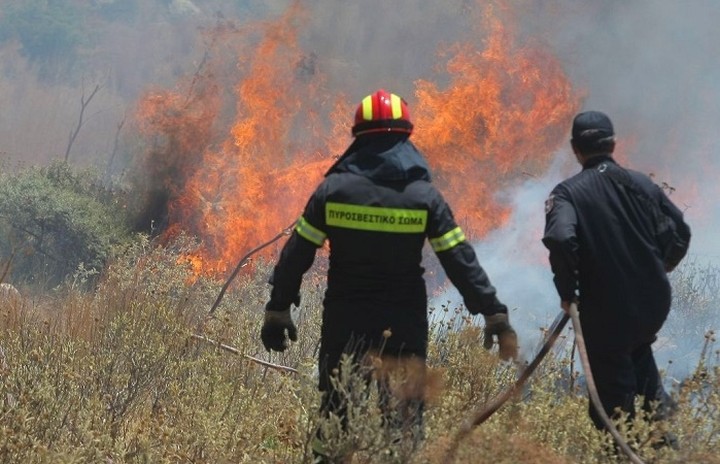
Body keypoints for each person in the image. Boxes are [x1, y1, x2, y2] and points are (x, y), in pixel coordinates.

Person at [261, 89, 518, 460]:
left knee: (336, 417)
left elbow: (296, 253)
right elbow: (459, 260)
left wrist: (279, 308)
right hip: (404, 324)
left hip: (345, 322)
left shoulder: (335, 191)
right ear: (405, 138)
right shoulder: (423, 196)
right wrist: (492, 311)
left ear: (358, 138)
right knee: (403, 424)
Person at [542, 111, 691, 442]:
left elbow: (561, 238)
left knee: (613, 400)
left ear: (574, 148)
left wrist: (568, 291)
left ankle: (622, 447)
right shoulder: (639, 183)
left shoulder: (567, 193)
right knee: (638, 354)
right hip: (652, 304)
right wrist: (661, 267)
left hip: (606, 309)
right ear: (612, 144)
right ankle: (663, 440)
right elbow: (680, 231)